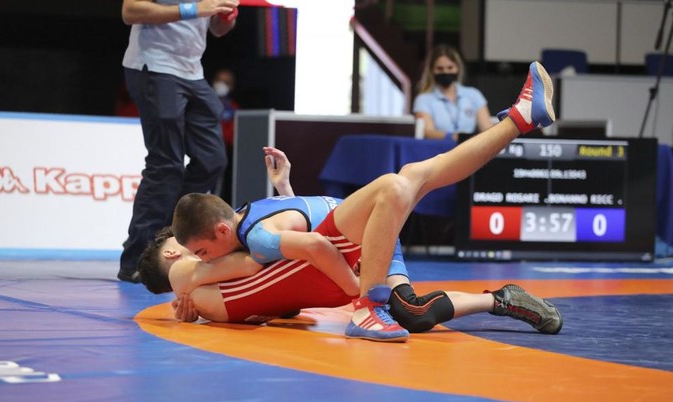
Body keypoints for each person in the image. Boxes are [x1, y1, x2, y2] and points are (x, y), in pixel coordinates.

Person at [166, 62, 561, 342]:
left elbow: (314, 245)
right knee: (411, 307)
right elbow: (297, 235)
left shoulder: (254, 240)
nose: (205, 259)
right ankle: (503, 298)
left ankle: (367, 310)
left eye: (201, 251)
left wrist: (359, 295)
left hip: (356, 233)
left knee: (398, 184)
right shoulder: (256, 214)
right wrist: (286, 188)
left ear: (219, 229)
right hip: (365, 233)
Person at [117, 0, 240, 283]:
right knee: (166, 164)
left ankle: (171, 235)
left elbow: (219, 29)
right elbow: (130, 11)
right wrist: (195, 8)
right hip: (154, 65)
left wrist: (227, 16)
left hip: (192, 72)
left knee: (212, 161)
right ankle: (137, 257)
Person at [413, 44, 494, 141]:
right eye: (440, 68)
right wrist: (454, 137)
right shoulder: (424, 99)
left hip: (471, 150)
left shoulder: (473, 95)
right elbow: (427, 132)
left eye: (450, 67)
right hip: (438, 151)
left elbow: (487, 129)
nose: (445, 72)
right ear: (432, 71)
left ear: (458, 68)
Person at [211, 67, 240, 204]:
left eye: (225, 82)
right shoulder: (202, 101)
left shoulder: (233, 108)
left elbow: (232, 136)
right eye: (219, 80)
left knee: (216, 189)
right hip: (196, 151)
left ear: (231, 86)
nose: (221, 84)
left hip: (219, 153)